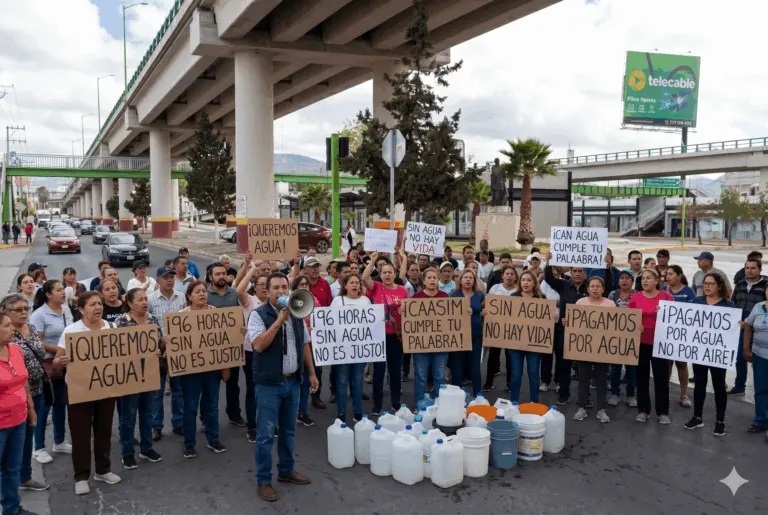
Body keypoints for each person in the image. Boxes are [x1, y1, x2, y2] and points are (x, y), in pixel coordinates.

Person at [248, 273, 319, 502]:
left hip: (293, 382)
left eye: (284, 287)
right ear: (266, 292)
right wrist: (279, 321)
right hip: (269, 384)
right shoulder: (258, 315)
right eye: (276, 288)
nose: (281, 291)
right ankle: (264, 480)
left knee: (289, 431)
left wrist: (311, 373)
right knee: (266, 435)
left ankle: (286, 470)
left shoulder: (298, 312)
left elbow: (305, 343)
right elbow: (258, 345)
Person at [57, 291, 122, 495]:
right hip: (79, 390)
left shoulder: (112, 327)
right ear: (82, 309)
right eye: (92, 304)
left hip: (106, 388)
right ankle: (81, 476)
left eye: (100, 303)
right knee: (81, 434)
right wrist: (62, 362)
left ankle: (103, 470)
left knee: (104, 431)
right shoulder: (71, 330)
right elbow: (57, 362)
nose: (98, 307)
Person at [2, 294, 50, 492]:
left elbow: (40, 350)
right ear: (5, 312)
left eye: (25, 309)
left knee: (26, 438)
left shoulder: (29, 327)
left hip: (34, 390)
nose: (24, 313)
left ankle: (25, 476)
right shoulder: (8, 339)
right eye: (18, 310)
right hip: (9, 402)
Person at [114, 289, 164, 468]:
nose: (145, 302)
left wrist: (160, 349)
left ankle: (146, 448)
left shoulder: (153, 319)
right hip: (129, 376)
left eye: (146, 299)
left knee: (147, 413)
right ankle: (127, 452)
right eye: (140, 299)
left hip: (149, 374)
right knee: (128, 416)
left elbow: (158, 342)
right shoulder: (120, 322)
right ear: (129, 303)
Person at [178, 281, 227, 458]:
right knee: (190, 407)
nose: (202, 294)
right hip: (190, 372)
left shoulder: (215, 313)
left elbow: (224, 339)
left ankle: (213, 439)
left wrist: (237, 331)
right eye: (197, 292)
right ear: (189, 296)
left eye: (204, 291)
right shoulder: (181, 317)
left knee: (212, 406)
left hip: (212, 370)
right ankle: (189, 443)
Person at [683, 273, 734, 436]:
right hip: (699, 352)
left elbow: (731, 329)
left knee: (719, 386)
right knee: (699, 384)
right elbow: (685, 321)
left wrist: (738, 325)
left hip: (717, 353)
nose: (707, 286)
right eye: (705, 283)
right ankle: (697, 417)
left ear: (719, 286)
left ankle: (720, 421)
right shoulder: (696, 302)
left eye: (711, 284)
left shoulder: (728, 305)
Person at [28, 280, 73, 464]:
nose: (63, 293)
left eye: (63, 289)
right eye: (59, 290)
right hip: (47, 364)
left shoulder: (66, 310)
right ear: (48, 294)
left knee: (61, 402)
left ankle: (59, 441)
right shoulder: (39, 315)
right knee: (45, 405)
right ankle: (38, 447)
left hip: (63, 363)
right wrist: (58, 349)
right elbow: (35, 342)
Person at [0, 311, 39, 515]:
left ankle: (12, 509)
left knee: (12, 469)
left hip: (18, 420)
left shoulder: (15, 349)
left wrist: (30, 409)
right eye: (6, 326)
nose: (12, 329)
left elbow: (23, 381)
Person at [362, 252, 408, 414]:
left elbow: (409, 313)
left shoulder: (403, 290)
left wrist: (405, 310)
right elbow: (364, 277)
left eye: (390, 272)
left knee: (395, 371)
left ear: (395, 274)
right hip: (378, 336)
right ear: (380, 275)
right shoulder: (376, 288)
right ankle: (377, 404)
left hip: (396, 337)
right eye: (384, 272)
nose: (387, 275)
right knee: (379, 372)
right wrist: (373, 260)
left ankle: (396, 401)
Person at [629, 269, 674, 424]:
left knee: (661, 378)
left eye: (649, 278)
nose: (645, 281)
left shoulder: (667, 297)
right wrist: (635, 326)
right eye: (643, 279)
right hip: (641, 343)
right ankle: (643, 410)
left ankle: (662, 412)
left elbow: (674, 321)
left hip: (660, 343)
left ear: (657, 281)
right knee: (641, 377)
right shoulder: (635, 297)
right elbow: (628, 320)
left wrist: (664, 314)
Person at [147, 267, 186, 441]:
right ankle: (156, 426)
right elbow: (147, 326)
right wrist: (158, 347)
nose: (169, 280)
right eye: (165, 277)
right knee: (157, 391)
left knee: (178, 389)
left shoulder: (181, 297)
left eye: (171, 277)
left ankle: (178, 423)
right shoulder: (150, 300)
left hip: (179, 349)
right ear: (157, 280)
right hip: (159, 350)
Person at [545, 258, 590, 405]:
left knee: (584, 368)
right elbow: (549, 278)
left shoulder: (591, 287)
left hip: (585, 335)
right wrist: (549, 261)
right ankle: (564, 394)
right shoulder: (564, 285)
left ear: (585, 273)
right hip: (564, 332)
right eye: (575, 271)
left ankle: (585, 398)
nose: (577, 273)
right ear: (570, 272)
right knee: (564, 365)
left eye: (580, 271)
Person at [206, 262, 246, 429]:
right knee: (210, 386)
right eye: (217, 274)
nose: (221, 276)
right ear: (210, 277)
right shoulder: (204, 295)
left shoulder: (234, 294)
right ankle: (206, 419)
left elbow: (240, 314)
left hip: (232, 348)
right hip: (210, 349)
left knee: (233, 383)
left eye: (223, 273)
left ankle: (234, 414)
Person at [573, 277, 615, 423]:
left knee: (601, 380)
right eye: (592, 286)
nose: (595, 289)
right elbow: (574, 324)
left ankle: (601, 409)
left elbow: (616, 327)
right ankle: (582, 408)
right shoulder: (580, 303)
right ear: (588, 288)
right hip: (584, 348)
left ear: (603, 289)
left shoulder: (610, 304)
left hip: (602, 349)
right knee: (583, 378)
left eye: (598, 286)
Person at [331, 275, 370, 423]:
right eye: (351, 283)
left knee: (357, 381)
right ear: (345, 286)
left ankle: (358, 412)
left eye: (357, 282)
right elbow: (330, 323)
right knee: (342, 382)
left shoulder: (365, 301)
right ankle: (341, 413)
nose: (355, 285)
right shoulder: (337, 301)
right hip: (342, 349)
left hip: (360, 349)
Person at [409, 268, 450, 405]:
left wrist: (464, 312)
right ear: (424, 280)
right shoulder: (416, 298)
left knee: (439, 377)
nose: (432, 280)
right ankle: (420, 405)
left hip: (440, 346)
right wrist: (403, 311)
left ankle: (440, 406)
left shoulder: (444, 297)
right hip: (421, 346)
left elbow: (452, 318)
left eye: (434, 277)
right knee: (421, 376)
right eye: (429, 278)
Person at [729, 258, 768, 396]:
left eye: (753, 268)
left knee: (759, 359)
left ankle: (762, 387)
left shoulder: (766, 284)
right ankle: (740, 386)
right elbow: (733, 302)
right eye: (747, 268)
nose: (749, 271)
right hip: (741, 327)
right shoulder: (740, 284)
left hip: (760, 329)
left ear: (760, 270)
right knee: (740, 357)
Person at [237, 262, 267, 442]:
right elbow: (239, 290)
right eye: (260, 285)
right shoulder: (249, 301)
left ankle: (270, 423)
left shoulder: (275, 302)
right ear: (254, 288)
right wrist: (252, 270)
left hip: (271, 352)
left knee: (270, 389)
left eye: (266, 285)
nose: (264, 288)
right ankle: (252, 427)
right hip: (251, 352)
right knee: (253, 390)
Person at [665, 265, 695, 407]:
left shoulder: (688, 292)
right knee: (667, 364)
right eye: (667, 274)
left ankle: (684, 395)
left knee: (682, 364)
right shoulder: (663, 289)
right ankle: (665, 392)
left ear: (679, 275)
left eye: (671, 274)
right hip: (666, 334)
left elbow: (693, 313)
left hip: (683, 335)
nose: (668, 277)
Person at [303, 257, 331, 409]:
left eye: (317, 266)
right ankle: (301, 402)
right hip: (303, 336)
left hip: (319, 335)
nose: (315, 270)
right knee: (302, 369)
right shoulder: (301, 286)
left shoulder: (325, 283)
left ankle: (316, 396)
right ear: (305, 269)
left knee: (317, 368)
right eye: (312, 267)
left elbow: (328, 307)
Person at [451, 270, 485, 395]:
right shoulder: (454, 295)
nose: (468, 280)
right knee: (457, 367)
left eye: (471, 277)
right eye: (465, 277)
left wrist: (482, 313)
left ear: (474, 281)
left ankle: (478, 395)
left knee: (475, 367)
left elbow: (482, 311)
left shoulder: (479, 295)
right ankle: (456, 395)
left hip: (475, 336)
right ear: (460, 280)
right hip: (459, 337)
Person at [743, 285, 768, 435]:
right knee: (760, 389)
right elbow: (748, 326)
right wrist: (746, 348)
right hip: (760, 355)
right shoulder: (758, 307)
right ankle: (760, 421)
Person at [539, 267, 562, 393]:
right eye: (551, 274)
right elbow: (541, 299)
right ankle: (545, 381)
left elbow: (565, 301)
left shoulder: (564, 284)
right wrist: (555, 303)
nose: (552, 276)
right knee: (546, 354)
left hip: (560, 325)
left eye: (555, 274)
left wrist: (553, 302)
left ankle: (558, 381)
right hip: (546, 323)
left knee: (560, 355)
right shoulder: (544, 284)